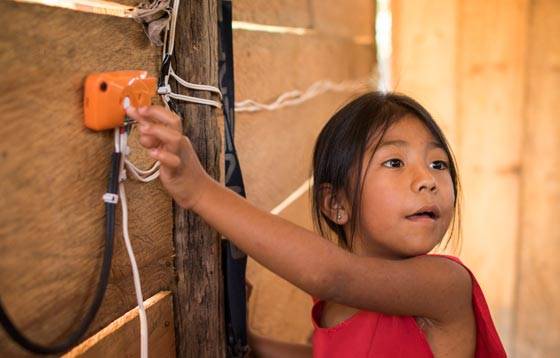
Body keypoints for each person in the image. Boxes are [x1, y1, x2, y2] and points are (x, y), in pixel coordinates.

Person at [126, 91, 507, 357]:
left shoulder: (444, 283)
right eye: (395, 162)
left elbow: (328, 272)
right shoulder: (338, 302)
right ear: (336, 204)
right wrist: (249, 340)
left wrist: (200, 192)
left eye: (438, 163)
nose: (427, 179)